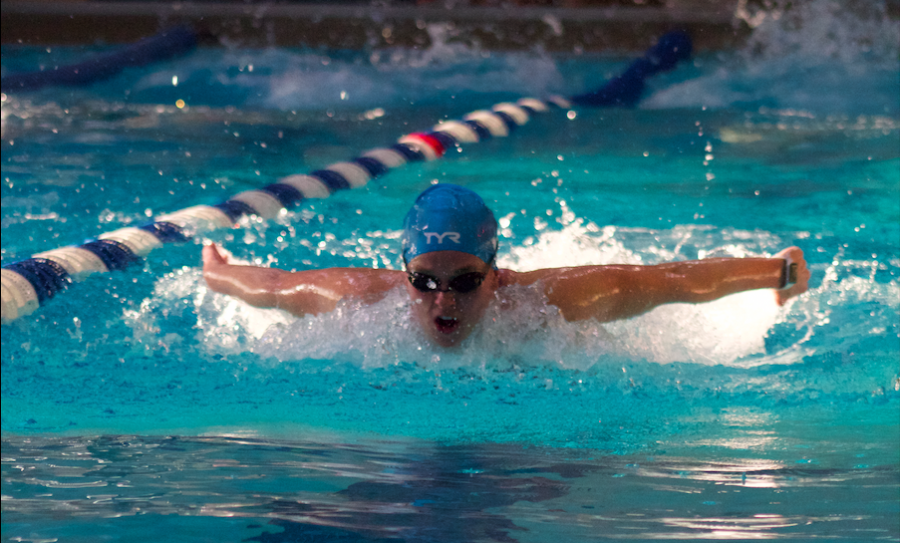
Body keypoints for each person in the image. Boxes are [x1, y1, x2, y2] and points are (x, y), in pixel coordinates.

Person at [202, 184, 810, 348]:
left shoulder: (554, 303)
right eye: (425, 282)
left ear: (497, 273)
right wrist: (214, 267)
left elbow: (675, 281)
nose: (444, 301)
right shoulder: (359, 300)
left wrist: (780, 273)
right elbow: (272, 287)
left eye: (466, 282)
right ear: (403, 271)